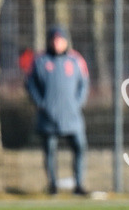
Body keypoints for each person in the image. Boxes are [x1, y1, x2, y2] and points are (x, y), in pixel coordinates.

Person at [25, 26, 90, 196]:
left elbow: (84, 84)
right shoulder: (40, 60)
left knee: (79, 148)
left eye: (60, 40)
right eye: (54, 40)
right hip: (48, 117)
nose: (57, 43)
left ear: (66, 41)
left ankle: (79, 184)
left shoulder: (76, 59)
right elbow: (30, 84)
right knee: (50, 151)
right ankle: (52, 185)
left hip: (72, 116)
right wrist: (40, 103)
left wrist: (77, 103)